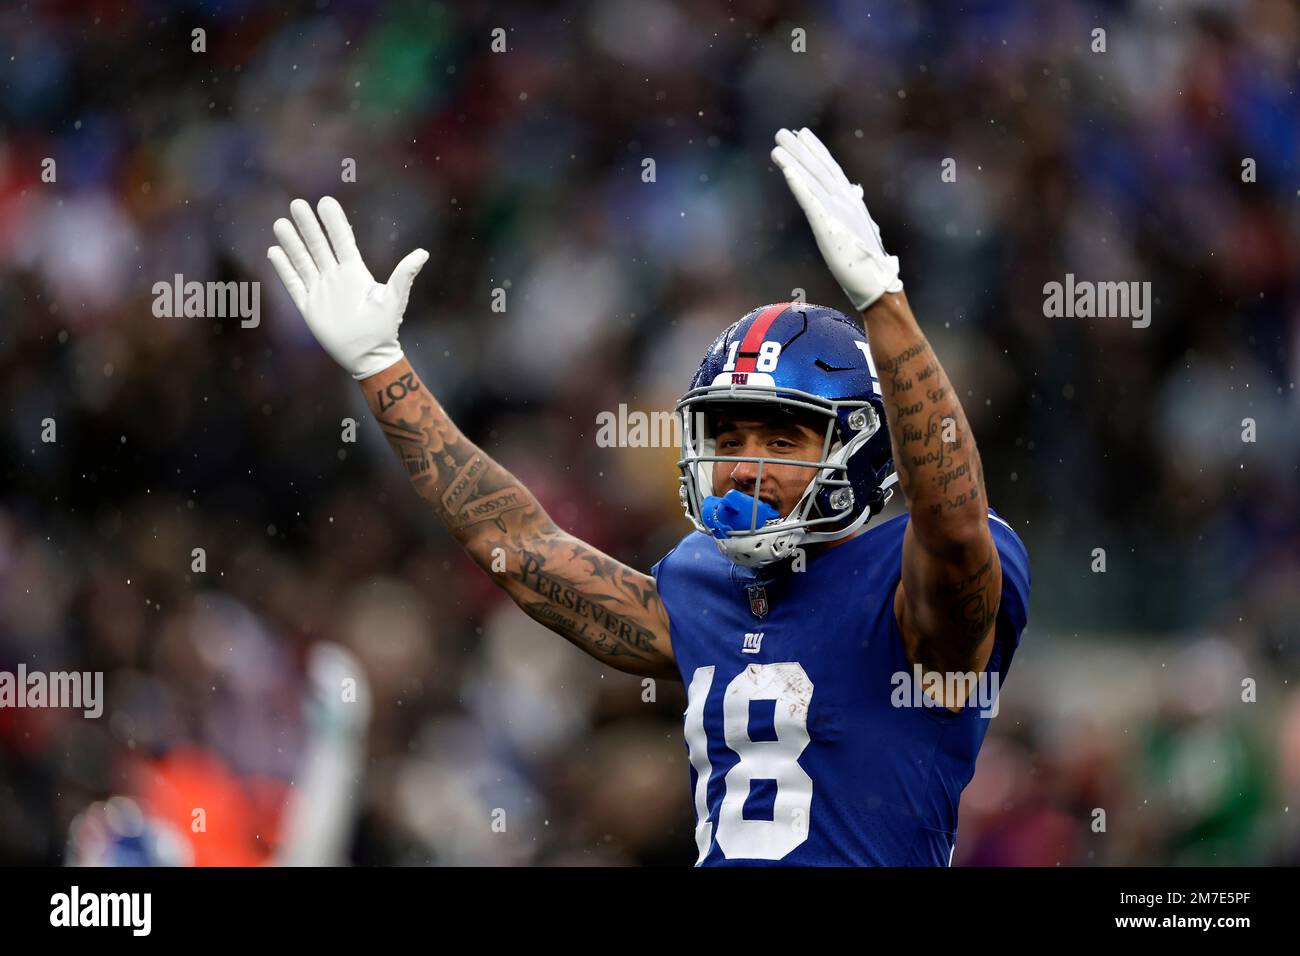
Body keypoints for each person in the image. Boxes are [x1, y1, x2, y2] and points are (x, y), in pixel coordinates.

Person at [267, 127, 1030, 866]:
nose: (743, 467)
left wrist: (887, 307)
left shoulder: (913, 590)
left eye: (782, 439)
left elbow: (953, 530)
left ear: (862, 448)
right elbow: (522, 549)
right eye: (726, 439)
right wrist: (383, 369)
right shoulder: (701, 586)